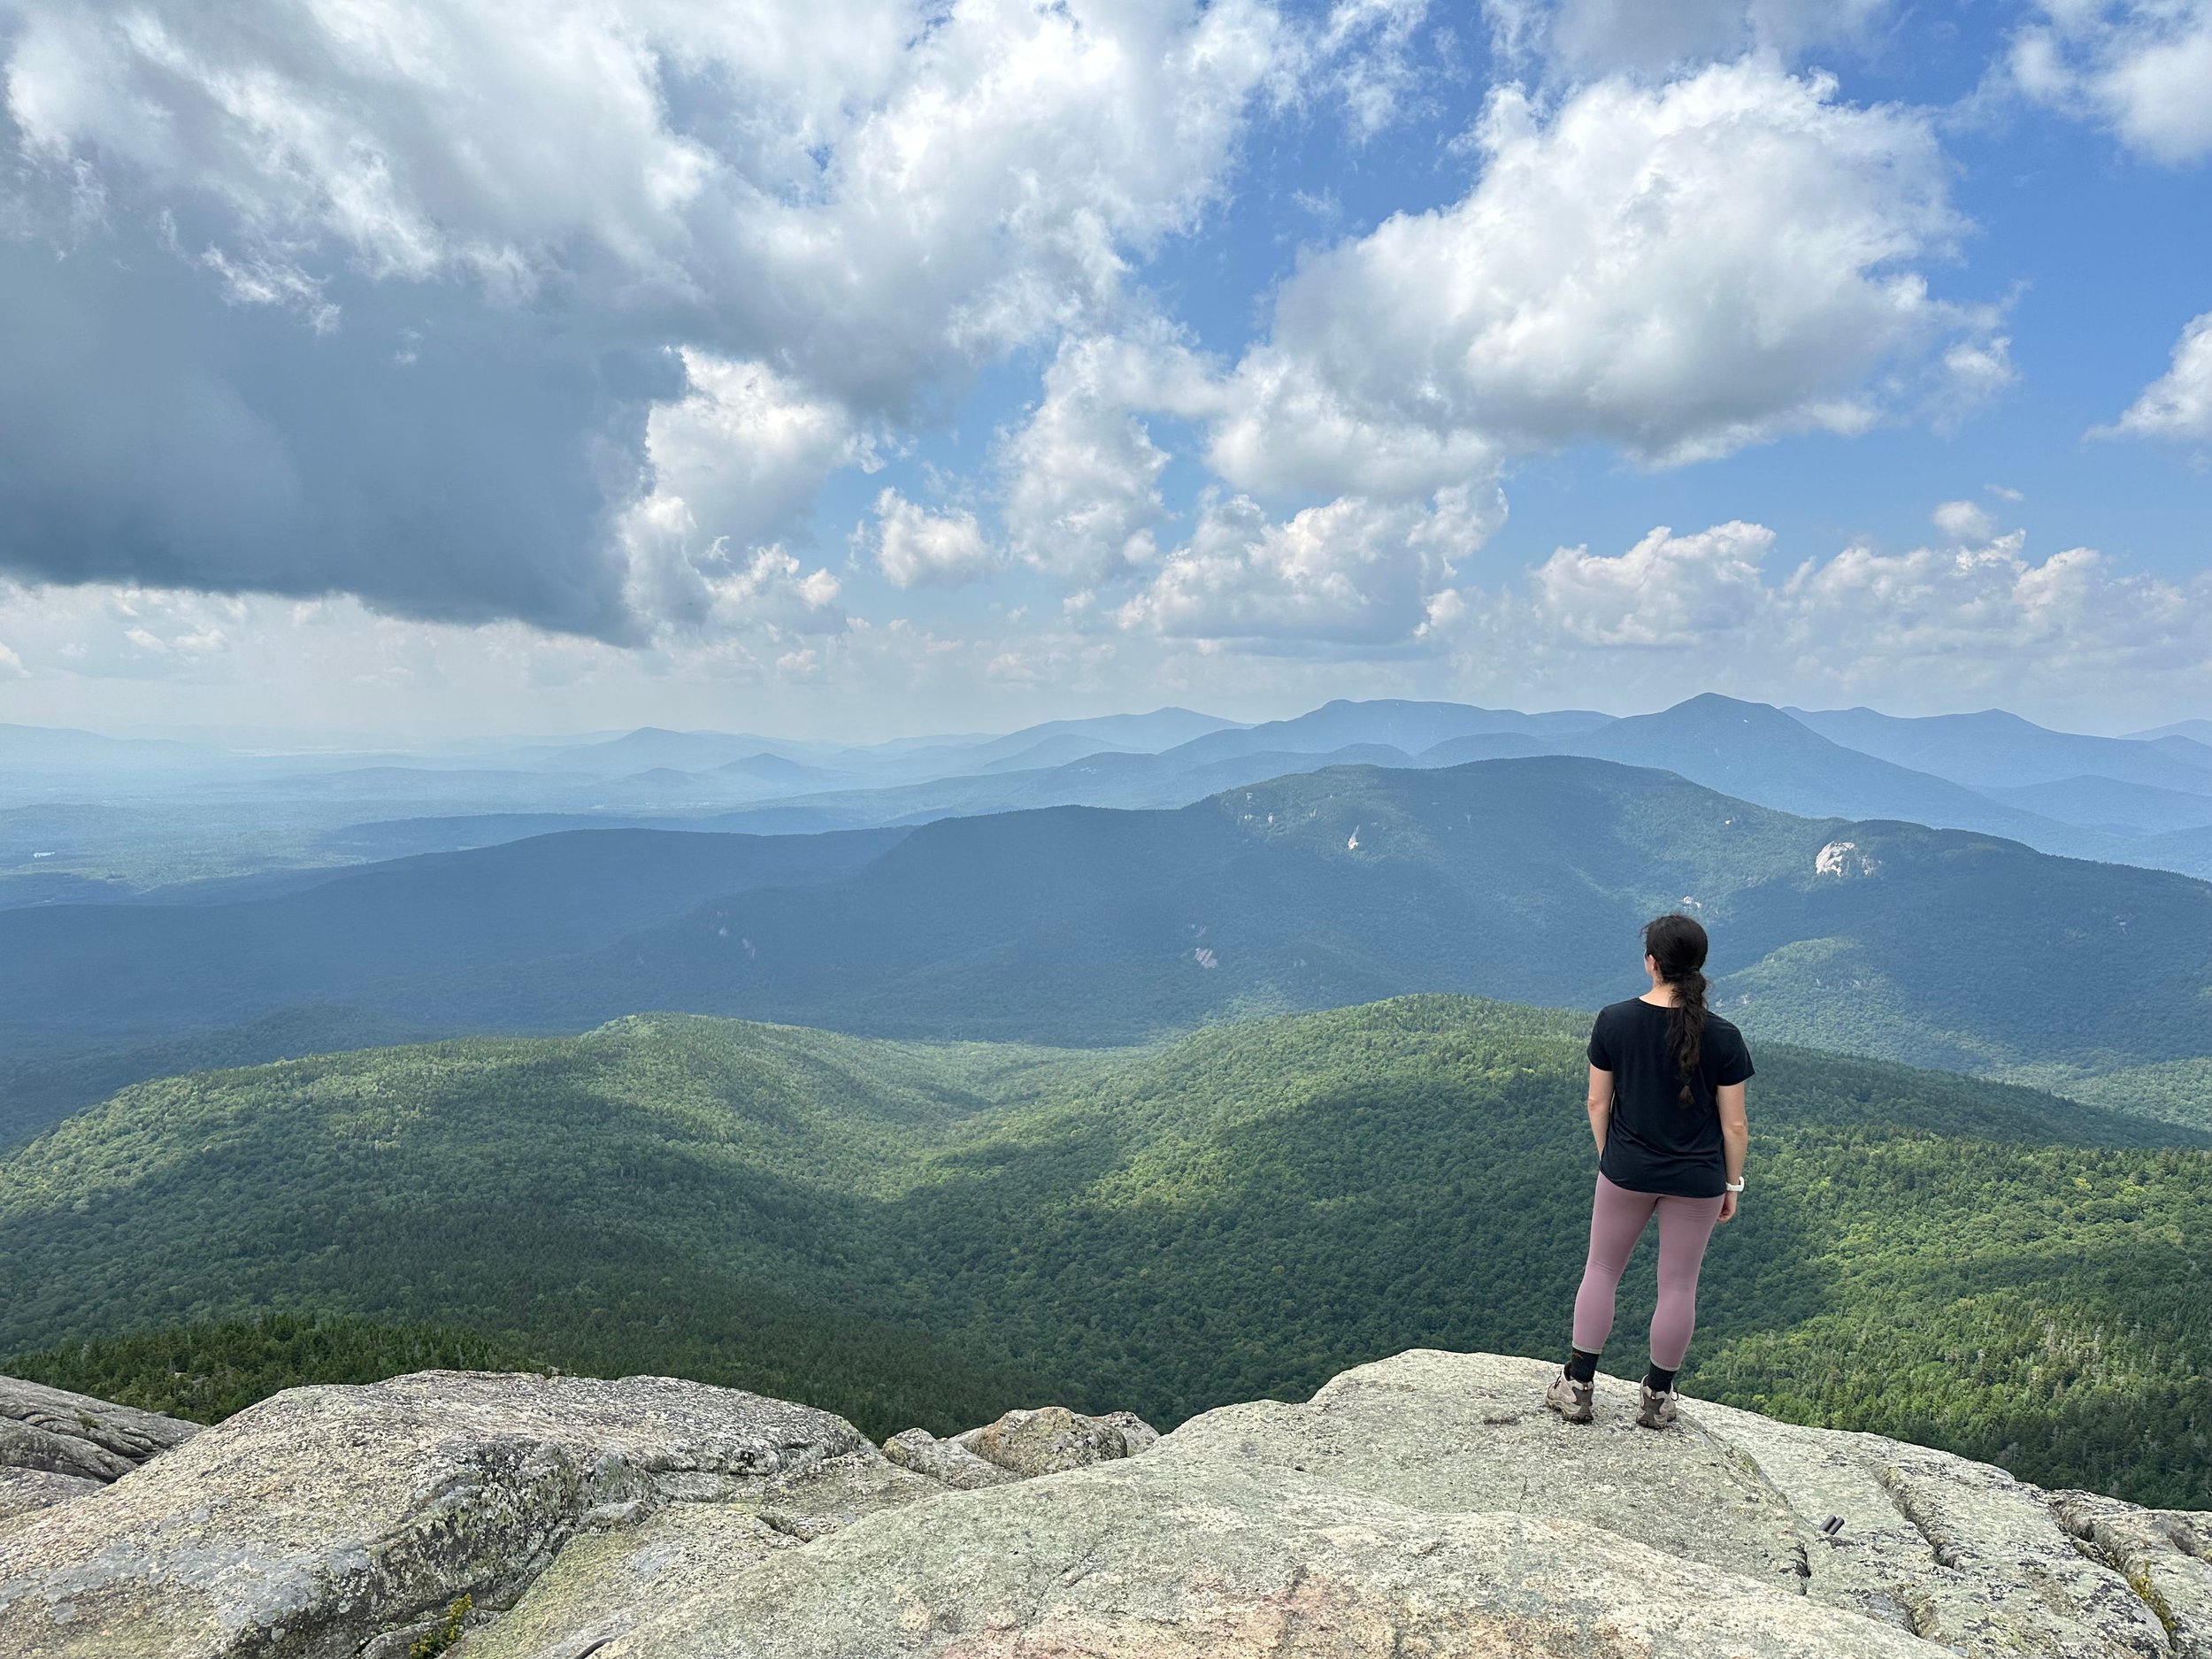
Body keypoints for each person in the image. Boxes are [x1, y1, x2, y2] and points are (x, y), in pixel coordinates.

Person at [1546, 913, 1752, 1430]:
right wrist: (1731, 1184)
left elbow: (1597, 1102)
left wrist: (1609, 1158)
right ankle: (1658, 1398)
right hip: (1698, 1179)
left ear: (1652, 963)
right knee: (1679, 1286)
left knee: (1602, 1270)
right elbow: (1736, 1126)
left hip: (1626, 1170)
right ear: (1698, 966)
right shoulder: (1725, 1036)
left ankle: (1578, 1387)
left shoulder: (1614, 1020)